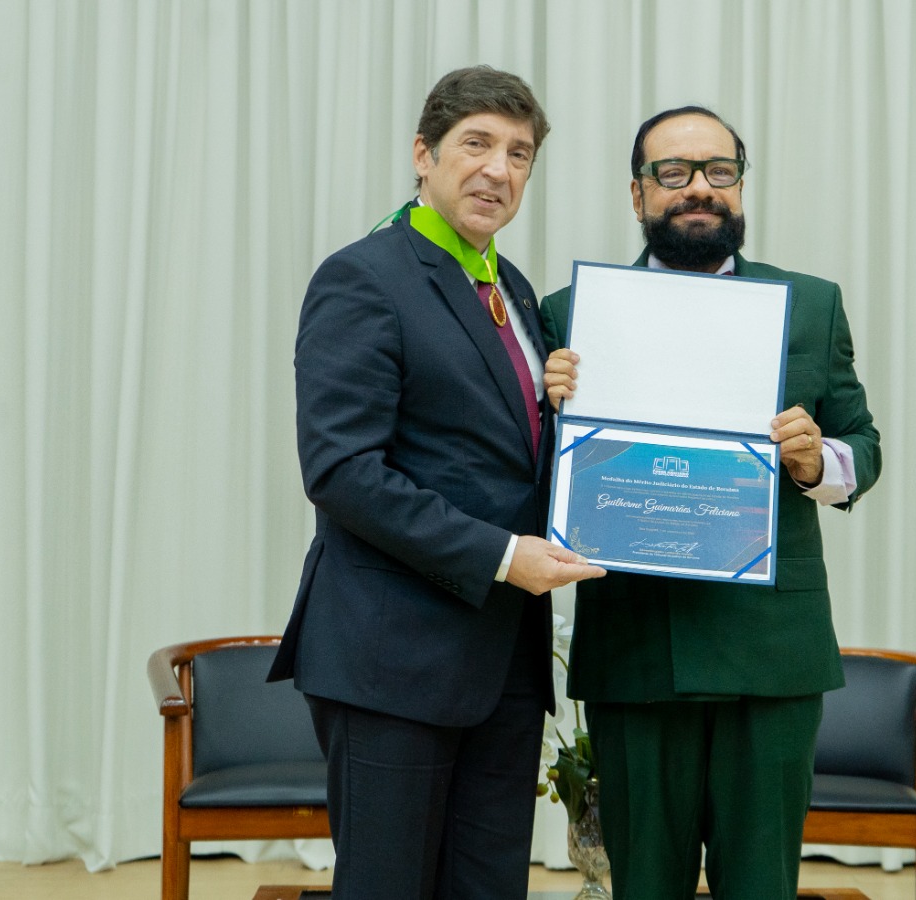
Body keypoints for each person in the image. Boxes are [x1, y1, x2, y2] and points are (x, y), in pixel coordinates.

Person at [267, 66, 605, 900]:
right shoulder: (364, 277)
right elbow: (342, 470)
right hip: (393, 661)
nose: (498, 169)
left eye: (518, 154)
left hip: (503, 663)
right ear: (423, 154)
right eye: (476, 144)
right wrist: (504, 557)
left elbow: (494, 452)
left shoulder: (509, 287)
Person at [540, 106, 882, 900]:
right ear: (637, 193)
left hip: (772, 653)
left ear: (740, 185)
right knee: (642, 887)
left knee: (761, 887)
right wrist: (550, 412)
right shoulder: (569, 314)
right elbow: (533, 474)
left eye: (719, 171)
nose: (700, 188)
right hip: (635, 650)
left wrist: (816, 461)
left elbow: (862, 446)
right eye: (674, 172)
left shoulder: (812, 303)